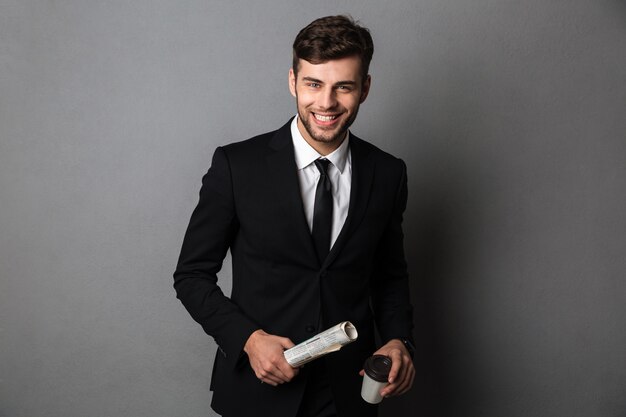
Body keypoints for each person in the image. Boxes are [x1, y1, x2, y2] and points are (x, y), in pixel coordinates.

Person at [174, 15, 415, 417]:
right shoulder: (237, 166)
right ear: (293, 82)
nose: (326, 103)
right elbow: (191, 275)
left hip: (349, 393)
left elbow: (389, 276)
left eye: (344, 86)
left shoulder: (388, 173)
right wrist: (248, 339)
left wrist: (398, 340)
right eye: (313, 84)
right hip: (259, 389)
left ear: (365, 89)